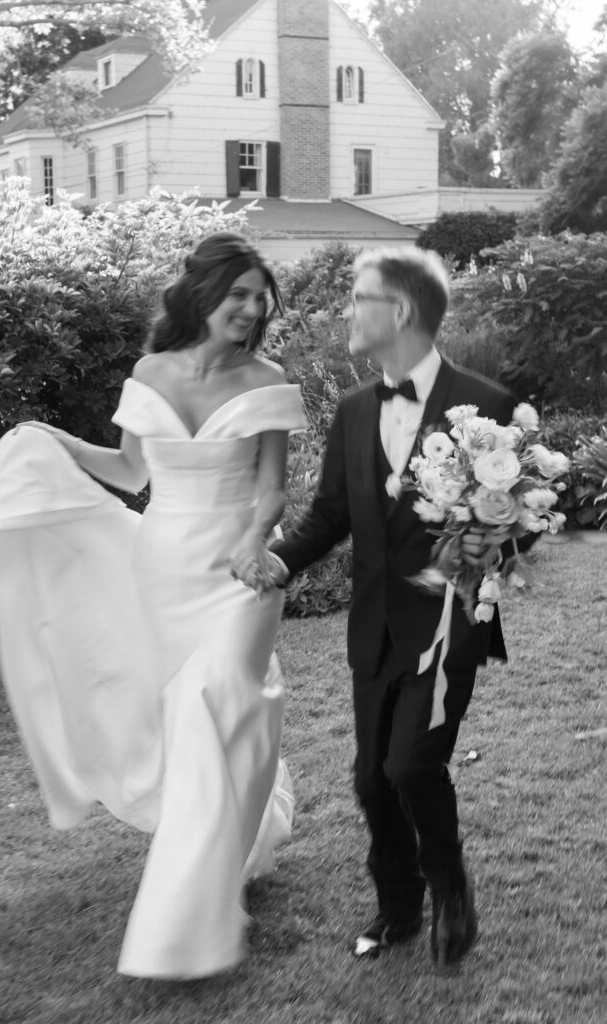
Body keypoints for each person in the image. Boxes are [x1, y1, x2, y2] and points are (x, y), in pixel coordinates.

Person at [0, 232, 306, 979]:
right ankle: (237, 841)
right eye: (239, 293)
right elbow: (127, 467)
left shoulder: (267, 380)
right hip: (162, 568)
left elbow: (273, 490)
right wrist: (50, 438)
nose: (252, 308)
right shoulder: (149, 372)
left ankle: (185, 925)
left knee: (219, 703)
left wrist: (254, 541)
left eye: (259, 297)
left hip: (238, 579)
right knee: (195, 725)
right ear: (204, 295)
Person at [245, 247, 523, 968]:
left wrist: (448, 585)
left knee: (408, 767)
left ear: (397, 311)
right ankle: (397, 908)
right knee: (371, 779)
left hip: (446, 626)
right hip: (372, 628)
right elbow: (330, 513)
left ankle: (450, 892)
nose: (345, 311)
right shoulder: (350, 409)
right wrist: (277, 561)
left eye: (356, 298)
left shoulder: (487, 408)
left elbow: (499, 528)